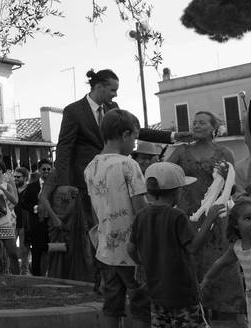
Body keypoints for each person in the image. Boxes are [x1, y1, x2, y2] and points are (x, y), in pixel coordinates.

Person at [41, 68, 183, 283]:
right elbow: (64, 147)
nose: (115, 95)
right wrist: (64, 183)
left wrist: (170, 136)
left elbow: (134, 129)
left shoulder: (113, 109)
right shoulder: (74, 111)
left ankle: (114, 273)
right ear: (99, 87)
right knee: (94, 228)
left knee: (116, 222)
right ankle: (100, 275)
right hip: (89, 177)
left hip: (116, 177)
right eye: (112, 89)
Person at [165, 110, 243, 319]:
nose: (196, 126)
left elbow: (233, 189)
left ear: (213, 128)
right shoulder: (181, 151)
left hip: (216, 218)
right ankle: (194, 311)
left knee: (218, 263)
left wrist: (228, 178)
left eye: (201, 123)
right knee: (190, 261)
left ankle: (223, 313)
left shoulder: (225, 152)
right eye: (194, 122)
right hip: (187, 217)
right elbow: (166, 176)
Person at [128, 162, 225, 328]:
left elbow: (130, 248)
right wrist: (209, 220)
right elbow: (193, 248)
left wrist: (142, 263)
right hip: (183, 295)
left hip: (156, 293)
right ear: (177, 192)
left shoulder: (141, 216)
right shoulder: (176, 216)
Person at [84, 109, 146, 328]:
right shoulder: (129, 164)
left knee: (112, 304)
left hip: (106, 250)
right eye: (135, 139)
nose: (135, 145)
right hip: (133, 251)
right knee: (141, 304)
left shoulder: (91, 167)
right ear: (126, 134)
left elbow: (94, 209)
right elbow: (141, 209)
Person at [202, 198, 251, 328]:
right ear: (235, 224)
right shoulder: (237, 247)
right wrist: (207, 279)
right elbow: (220, 263)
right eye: (248, 218)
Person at [19, 158, 52, 276]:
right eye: (44, 169)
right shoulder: (32, 186)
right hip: (37, 224)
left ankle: (51, 274)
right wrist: (35, 208)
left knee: (51, 251)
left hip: (51, 224)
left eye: (49, 169)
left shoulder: (55, 186)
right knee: (37, 252)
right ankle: (37, 277)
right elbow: (23, 203)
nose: (46, 171)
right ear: (39, 170)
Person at [14, 166, 31, 275]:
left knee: (24, 250)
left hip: (25, 224)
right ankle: (13, 271)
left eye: (18, 177)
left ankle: (24, 272)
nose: (15, 178)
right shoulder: (11, 189)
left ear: (25, 178)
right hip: (13, 223)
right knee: (10, 250)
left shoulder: (30, 189)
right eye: (14, 176)